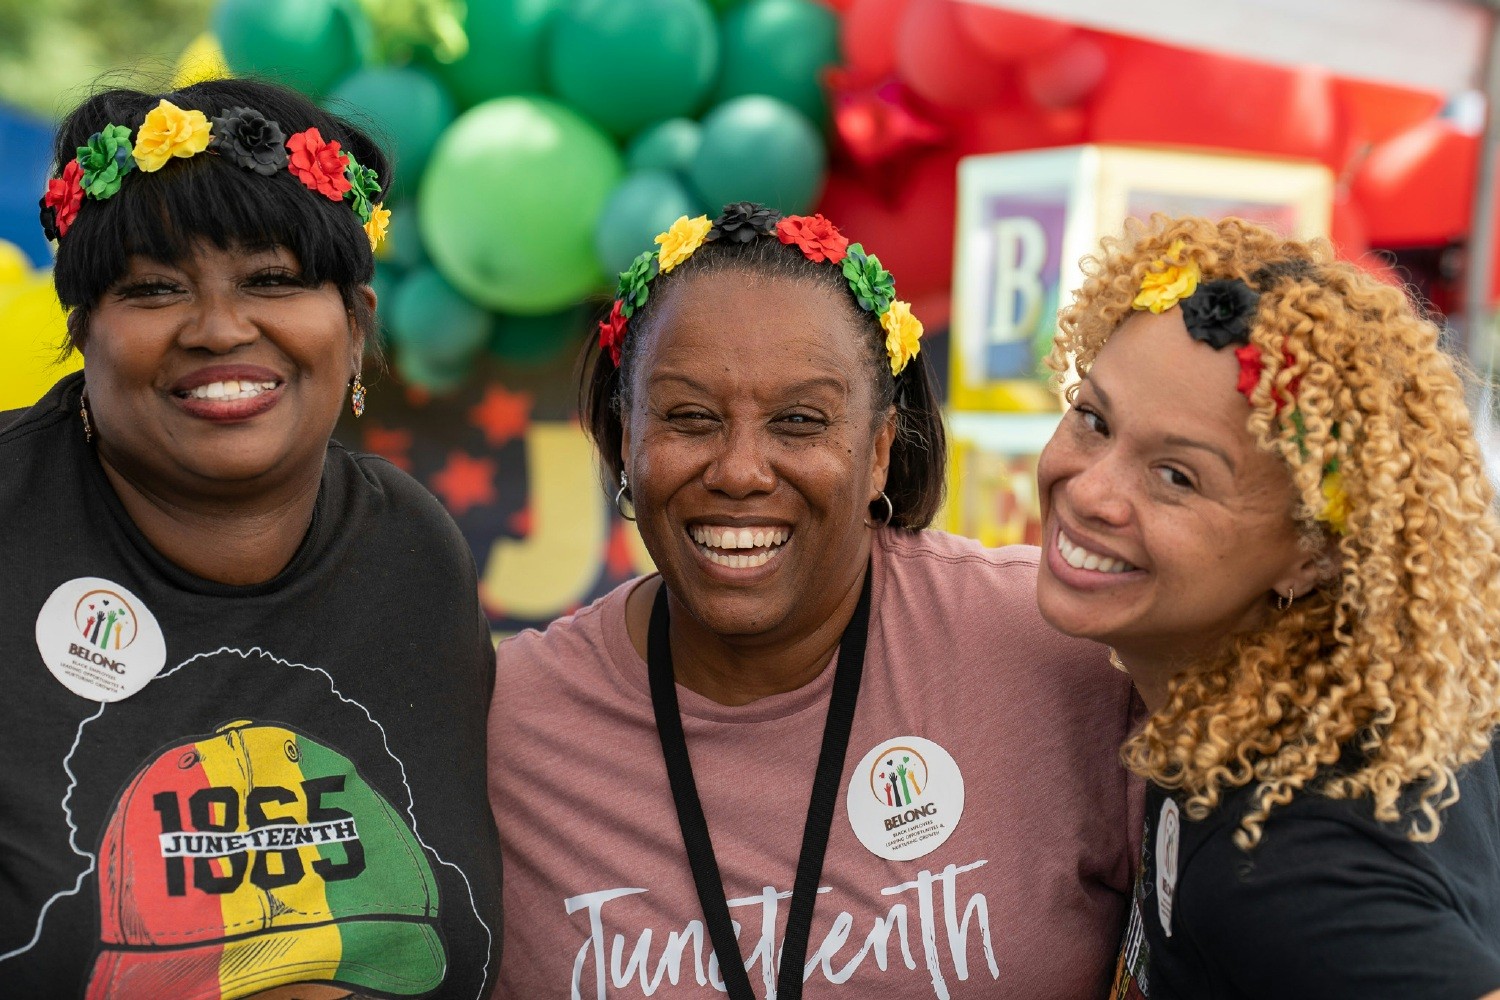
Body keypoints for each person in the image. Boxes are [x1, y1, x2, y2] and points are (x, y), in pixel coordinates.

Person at [489, 202, 1141, 999]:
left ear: (877, 453)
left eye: (799, 422)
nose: (740, 471)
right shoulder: (506, 725)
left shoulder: (1061, 652)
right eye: (690, 418)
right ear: (625, 438)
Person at [0, 79, 502, 1000]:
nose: (221, 328)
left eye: (274, 279)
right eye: (154, 288)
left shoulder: (412, 553)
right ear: (82, 331)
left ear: (356, 329)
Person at [1034, 215, 1500, 999]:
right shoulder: (1312, 705)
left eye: (1177, 476)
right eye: (1093, 419)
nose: (1089, 491)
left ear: (1313, 553)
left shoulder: (1285, 862)